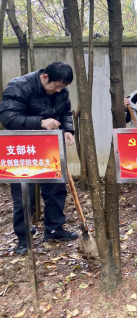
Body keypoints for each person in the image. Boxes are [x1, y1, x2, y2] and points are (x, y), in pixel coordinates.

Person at [0, 62, 78, 255]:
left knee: (56, 189)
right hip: (23, 148)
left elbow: (65, 112)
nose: (59, 90)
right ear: (44, 77)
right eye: (56, 86)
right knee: (24, 194)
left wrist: (67, 130)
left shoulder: (61, 91)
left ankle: (54, 229)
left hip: (49, 147)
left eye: (63, 87)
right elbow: (8, 118)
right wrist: (40, 122)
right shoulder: (19, 86)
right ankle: (24, 238)